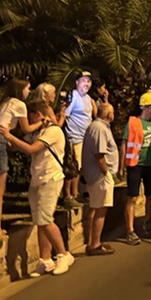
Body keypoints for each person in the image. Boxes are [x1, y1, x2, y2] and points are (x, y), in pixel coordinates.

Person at [0, 101, 75, 276]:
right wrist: (8, 138)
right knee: (39, 220)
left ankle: (63, 254)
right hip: (38, 179)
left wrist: (9, 137)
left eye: (30, 117)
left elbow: (31, 149)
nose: (28, 122)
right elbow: (21, 145)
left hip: (50, 178)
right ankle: (45, 260)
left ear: (37, 114)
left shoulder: (53, 131)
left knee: (45, 219)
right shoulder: (40, 131)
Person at [0, 78, 41, 242]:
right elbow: (26, 129)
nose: (29, 92)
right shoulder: (19, 104)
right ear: (20, 90)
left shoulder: (5, 102)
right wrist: (42, 122)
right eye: (27, 88)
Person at [119, 91, 151, 245]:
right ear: (144, 107)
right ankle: (130, 230)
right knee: (132, 197)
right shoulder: (133, 123)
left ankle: (147, 222)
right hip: (135, 164)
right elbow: (124, 143)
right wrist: (121, 166)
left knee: (150, 196)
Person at [81, 103, 118, 256]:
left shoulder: (97, 127)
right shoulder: (100, 129)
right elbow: (99, 155)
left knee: (95, 208)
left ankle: (92, 242)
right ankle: (95, 244)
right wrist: (106, 172)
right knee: (101, 210)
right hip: (100, 176)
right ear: (109, 114)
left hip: (96, 175)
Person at [63, 71, 96, 208]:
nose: (86, 84)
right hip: (74, 138)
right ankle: (68, 195)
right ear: (77, 82)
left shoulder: (88, 98)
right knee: (72, 168)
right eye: (83, 81)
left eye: (88, 81)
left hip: (85, 138)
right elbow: (65, 114)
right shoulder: (73, 96)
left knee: (80, 167)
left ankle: (76, 193)